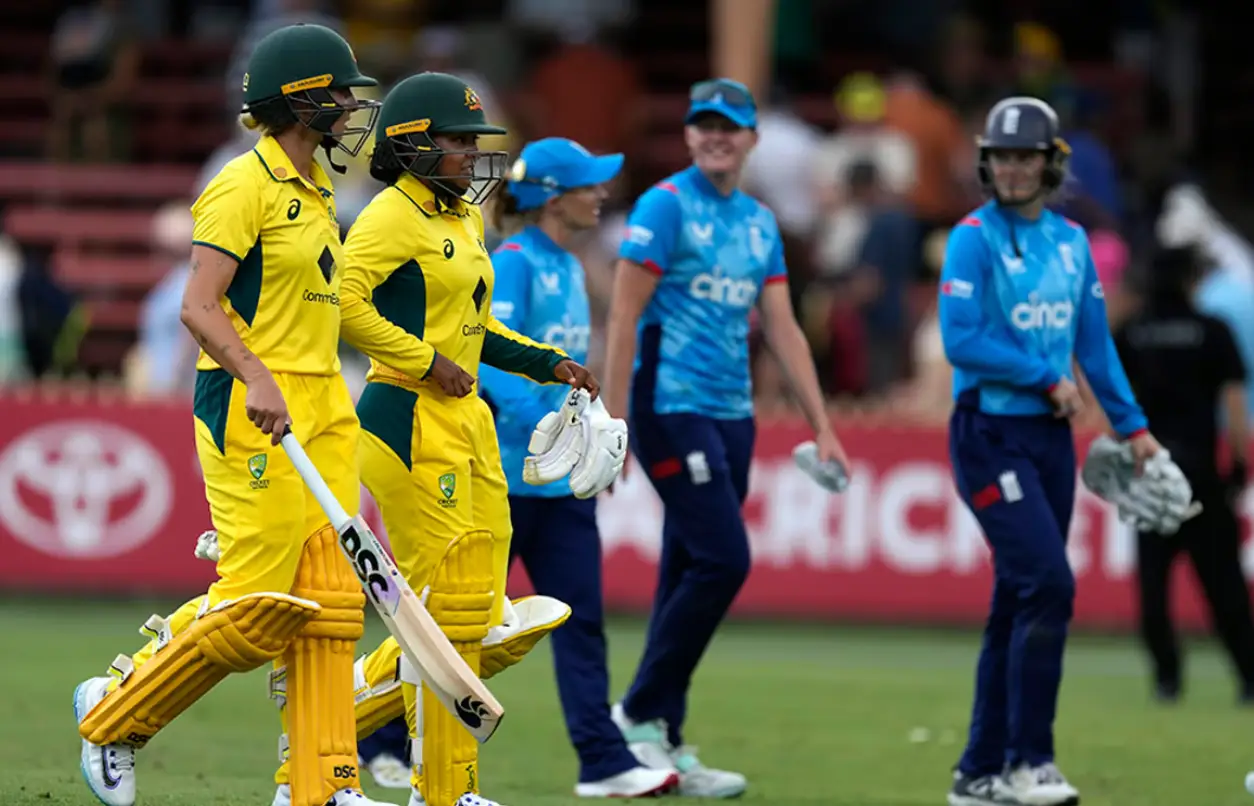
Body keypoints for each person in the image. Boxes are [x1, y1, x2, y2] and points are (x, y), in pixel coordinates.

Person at [73, 23, 386, 806]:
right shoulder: (240, 184)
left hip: (321, 405)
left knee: (332, 603)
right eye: (339, 92)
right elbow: (198, 306)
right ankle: (113, 713)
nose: (351, 106)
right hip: (250, 402)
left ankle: (320, 784)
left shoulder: (318, 191)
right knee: (253, 609)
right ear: (300, 100)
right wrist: (257, 376)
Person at [330, 72, 600, 806]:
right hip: (405, 414)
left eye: (474, 142)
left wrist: (547, 362)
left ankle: (352, 701)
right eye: (456, 141)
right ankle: (441, 788)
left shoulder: (461, 220)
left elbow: (476, 332)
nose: (471, 156)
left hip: (465, 419)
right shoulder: (390, 216)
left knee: (479, 609)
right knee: (445, 607)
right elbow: (343, 307)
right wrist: (426, 360)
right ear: (412, 144)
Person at [599, 78, 849, 798]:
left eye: (730, 127)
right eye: (704, 125)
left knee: (686, 565)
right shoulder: (664, 207)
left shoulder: (758, 223)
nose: (716, 136)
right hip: (668, 403)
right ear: (687, 135)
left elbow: (782, 327)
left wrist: (823, 426)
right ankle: (640, 710)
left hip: (732, 414)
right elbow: (623, 318)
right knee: (722, 560)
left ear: (752, 139)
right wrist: (613, 424)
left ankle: (664, 739)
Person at [938, 96, 1165, 806]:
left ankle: (979, 773)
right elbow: (961, 339)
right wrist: (1044, 376)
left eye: (1025, 156)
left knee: (1017, 596)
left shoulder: (1070, 242)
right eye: (1002, 156)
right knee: (1049, 585)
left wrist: (1134, 428)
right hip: (988, 434)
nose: (1012, 168)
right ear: (987, 162)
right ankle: (1032, 759)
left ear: (1050, 162)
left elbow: (1094, 347)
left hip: (1048, 442)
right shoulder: (971, 237)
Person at [478, 137, 679, 798]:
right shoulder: (514, 263)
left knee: (580, 621)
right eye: (589, 185)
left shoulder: (565, 264)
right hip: (503, 481)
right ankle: (386, 737)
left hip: (558, 483)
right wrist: (544, 425)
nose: (602, 194)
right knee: (463, 624)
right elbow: (484, 361)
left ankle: (602, 760)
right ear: (552, 197)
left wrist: (582, 431)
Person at [1113, 245, 1254, 704]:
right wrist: (1237, 463)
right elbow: (1233, 404)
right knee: (1224, 586)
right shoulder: (1213, 331)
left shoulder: (1132, 333)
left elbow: (1116, 404)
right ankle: (1248, 678)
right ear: (1192, 280)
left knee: (1153, 587)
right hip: (1198, 473)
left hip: (1151, 473)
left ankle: (1167, 680)